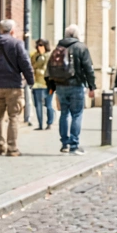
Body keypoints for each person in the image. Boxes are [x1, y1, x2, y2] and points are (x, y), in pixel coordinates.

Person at [0, 19, 35, 157]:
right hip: (13, 85)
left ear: (0, 30)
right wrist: (30, 80)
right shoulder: (17, 44)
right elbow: (25, 63)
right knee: (13, 116)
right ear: (12, 31)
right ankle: (12, 148)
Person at [47, 23, 97, 154]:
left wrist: (51, 87)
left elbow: (50, 68)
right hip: (76, 85)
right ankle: (74, 145)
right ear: (77, 35)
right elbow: (88, 69)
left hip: (60, 86)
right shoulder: (81, 47)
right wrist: (92, 86)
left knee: (64, 114)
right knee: (77, 114)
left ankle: (64, 144)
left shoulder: (58, 47)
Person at [31, 39, 55, 130]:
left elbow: (46, 69)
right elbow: (32, 66)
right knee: (38, 105)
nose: (39, 47)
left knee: (48, 104)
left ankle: (49, 123)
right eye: (38, 45)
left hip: (48, 83)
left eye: (41, 45)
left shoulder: (50, 56)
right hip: (37, 83)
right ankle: (40, 124)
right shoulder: (34, 56)